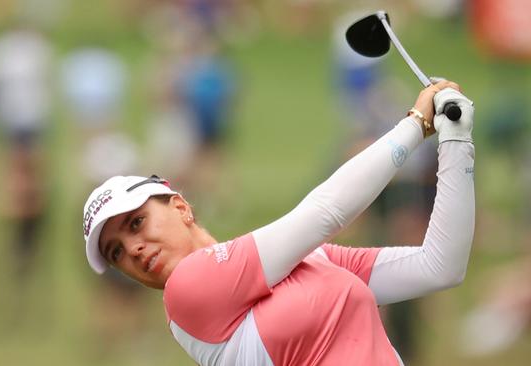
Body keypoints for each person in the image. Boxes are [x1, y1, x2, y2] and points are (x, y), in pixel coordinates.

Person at [82, 80, 475, 365]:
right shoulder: (185, 292)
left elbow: (440, 267)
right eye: (115, 252)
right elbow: (324, 212)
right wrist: (416, 124)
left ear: (181, 207)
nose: (131, 249)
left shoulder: (310, 261)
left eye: (135, 223)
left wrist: (456, 140)